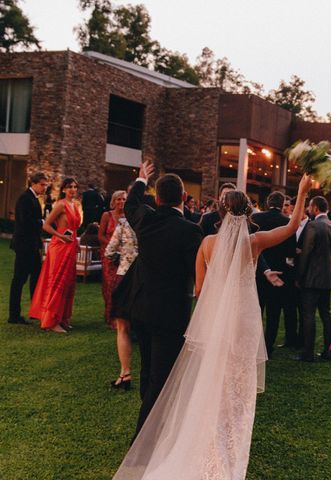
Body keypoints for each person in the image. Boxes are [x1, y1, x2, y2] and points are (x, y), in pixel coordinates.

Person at [114, 174, 313, 480]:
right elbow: (291, 227)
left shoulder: (207, 244)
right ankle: (227, 449)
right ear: (248, 213)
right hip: (243, 325)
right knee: (236, 392)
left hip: (213, 325)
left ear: (220, 212)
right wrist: (300, 193)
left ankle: (204, 445)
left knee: (209, 384)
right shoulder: (254, 243)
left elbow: (201, 290)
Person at [123, 162, 203, 439]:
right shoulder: (191, 231)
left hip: (141, 307)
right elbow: (197, 272)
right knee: (161, 378)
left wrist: (142, 179)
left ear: (157, 198)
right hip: (169, 315)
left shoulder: (146, 219)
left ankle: (150, 414)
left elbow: (130, 204)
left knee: (148, 369)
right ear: (183, 198)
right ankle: (142, 442)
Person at [29, 177, 82, 333]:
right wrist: (60, 236)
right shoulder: (60, 205)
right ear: (64, 189)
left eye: (75, 186)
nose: (73, 189)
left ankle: (62, 318)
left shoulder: (75, 205)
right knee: (57, 281)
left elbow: (74, 227)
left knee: (68, 283)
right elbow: (45, 225)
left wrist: (76, 241)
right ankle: (51, 321)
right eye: (69, 187)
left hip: (71, 246)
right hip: (59, 247)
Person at [252, 191, 297, 355]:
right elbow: (291, 251)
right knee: (274, 312)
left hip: (257, 271)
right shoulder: (287, 222)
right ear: (281, 204)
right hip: (278, 272)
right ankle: (268, 347)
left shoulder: (255, 219)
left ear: (267, 202)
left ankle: (253, 345)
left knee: (256, 310)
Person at [296, 196, 331, 362]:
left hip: (312, 278)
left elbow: (306, 253)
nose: (308, 209)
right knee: (326, 315)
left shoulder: (313, 225)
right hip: (327, 276)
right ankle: (329, 351)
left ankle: (308, 353)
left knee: (308, 315)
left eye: (309, 206)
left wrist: (299, 276)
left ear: (314, 208)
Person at [8, 172, 48, 325]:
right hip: (25, 246)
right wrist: (42, 221)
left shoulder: (33, 198)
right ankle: (14, 315)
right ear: (34, 183)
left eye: (45, 185)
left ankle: (35, 311)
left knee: (36, 279)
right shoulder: (25, 198)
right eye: (42, 184)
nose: (44, 188)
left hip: (31, 245)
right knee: (19, 280)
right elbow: (25, 221)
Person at [105, 216, 138, 390]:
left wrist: (122, 256)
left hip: (125, 274)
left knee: (122, 327)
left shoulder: (124, 223)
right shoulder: (152, 221)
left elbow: (109, 251)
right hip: (145, 277)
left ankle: (125, 373)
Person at [99, 190, 126, 327]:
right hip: (109, 255)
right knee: (109, 285)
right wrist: (112, 245)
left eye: (124, 199)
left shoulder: (128, 217)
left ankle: (118, 316)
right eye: (119, 199)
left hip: (124, 256)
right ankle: (110, 317)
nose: (121, 202)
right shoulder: (106, 215)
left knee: (120, 286)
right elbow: (100, 235)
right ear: (113, 201)